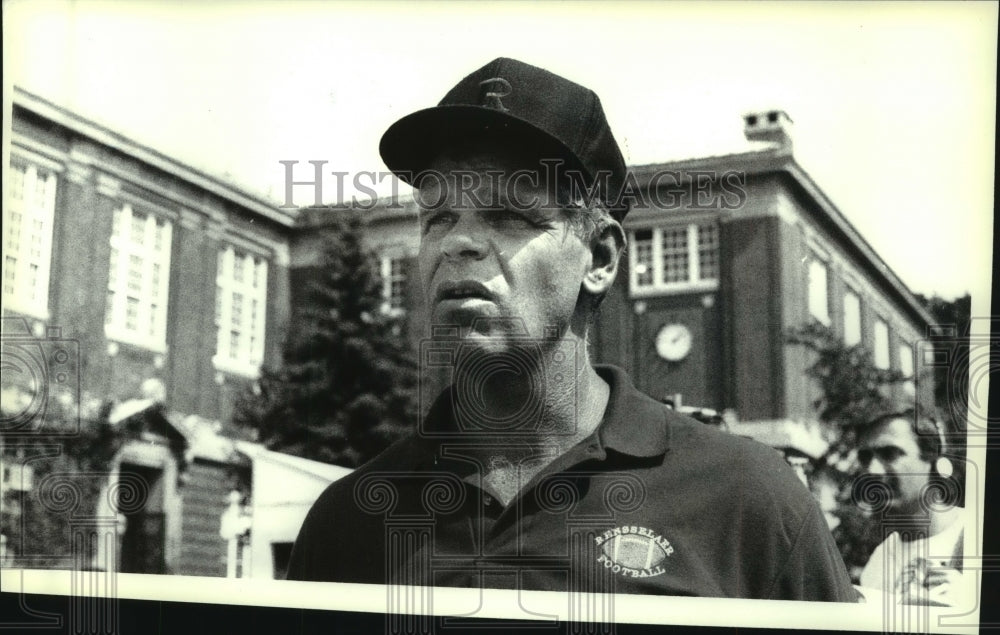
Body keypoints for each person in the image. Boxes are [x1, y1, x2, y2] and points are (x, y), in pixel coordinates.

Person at [287, 57, 857, 601]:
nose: (457, 242)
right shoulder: (348, 521)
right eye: (437, 216)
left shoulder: (748, 501)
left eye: (509, 216)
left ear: (600, 258)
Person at [854, 410, 968, 606]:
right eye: (865, 458)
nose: (872, 470)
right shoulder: (879, 561)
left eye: (889, 454)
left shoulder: (977, 535)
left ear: (932, 458)